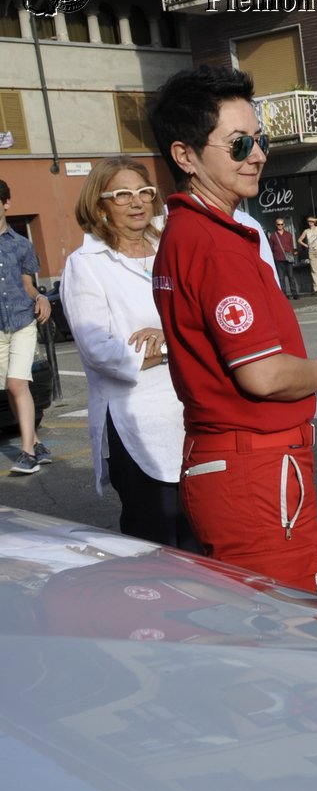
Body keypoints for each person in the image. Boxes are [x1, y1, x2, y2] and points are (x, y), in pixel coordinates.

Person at [147, 65, 317, 591]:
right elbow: (262, 374)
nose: (258, 155)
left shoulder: (195, 231)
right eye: (239, 144)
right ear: (185, 156)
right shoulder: (214, 242)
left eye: (259, 141)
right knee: (284, 629)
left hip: (236, 460)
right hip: (253, 465)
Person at [59, 157, 198, 551]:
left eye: (144, 192)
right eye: (121, 195)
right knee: (154, 540)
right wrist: (178, 344)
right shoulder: (86, 265)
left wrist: (166, 338)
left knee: (201, 535)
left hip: (193, 409)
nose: (136, 202)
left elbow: (201, 316)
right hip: (135, 420)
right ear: (100, 205)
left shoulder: (171, 247)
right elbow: (100, 351)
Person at [0, 178, 52, 474]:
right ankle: (37, 442)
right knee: (12, 385)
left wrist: (41, 298)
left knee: (17, 383)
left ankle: (27, 452)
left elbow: (27, 284)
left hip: (21, 321)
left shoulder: (21, 244)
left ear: (6, 203)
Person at [267, 216, 300, 299]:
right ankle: (283, 294)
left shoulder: (289, 235)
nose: (280, 226)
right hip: (278, 259)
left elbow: (292, 247)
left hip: (288, 260)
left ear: (284, 225)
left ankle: (294, 293)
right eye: (278, 224)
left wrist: (293, 256)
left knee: (291, 277)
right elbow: (270, 248)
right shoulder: (273, 235)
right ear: (276, 225)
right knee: (281, 278)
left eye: (281, 224)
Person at [297, 215, 317, 294]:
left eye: (312, 221)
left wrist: (315, 219)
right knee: (314, 271)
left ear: (314, 221)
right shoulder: (306, 231)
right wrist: (306, 245)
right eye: (309, 221)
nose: (310, 222)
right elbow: (299, 240)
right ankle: (316, 288)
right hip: (312, 252)